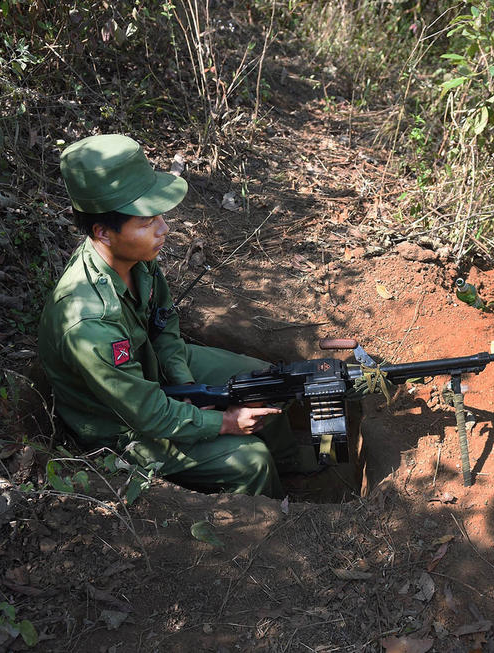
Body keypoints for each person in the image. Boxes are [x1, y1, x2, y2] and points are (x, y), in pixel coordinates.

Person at [38, 134, 303, 498]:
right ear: (103, 231)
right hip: (118, 423)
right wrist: (221, 422)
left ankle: (291, 467)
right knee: (250, 461)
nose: (164, 229)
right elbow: (145, 413)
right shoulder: (90, 322)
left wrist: (186, 385)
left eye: (160, 215)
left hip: (154, 375)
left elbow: (164, 326)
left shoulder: (137, 260)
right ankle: (268, 520)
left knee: (258, 381)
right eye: (147, 222)